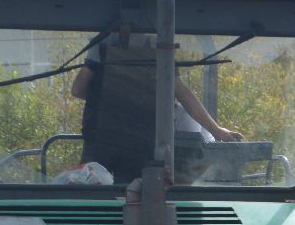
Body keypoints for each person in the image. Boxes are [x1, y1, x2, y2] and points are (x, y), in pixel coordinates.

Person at [69, 31, 242, 184]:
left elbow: (77, 89)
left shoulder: (103, 41)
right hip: (141, 143)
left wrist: (109, 102)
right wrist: (217, 131)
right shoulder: (160, 44)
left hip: (100, 140)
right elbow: (183, 94)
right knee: (135, 195)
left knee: (93, 192)